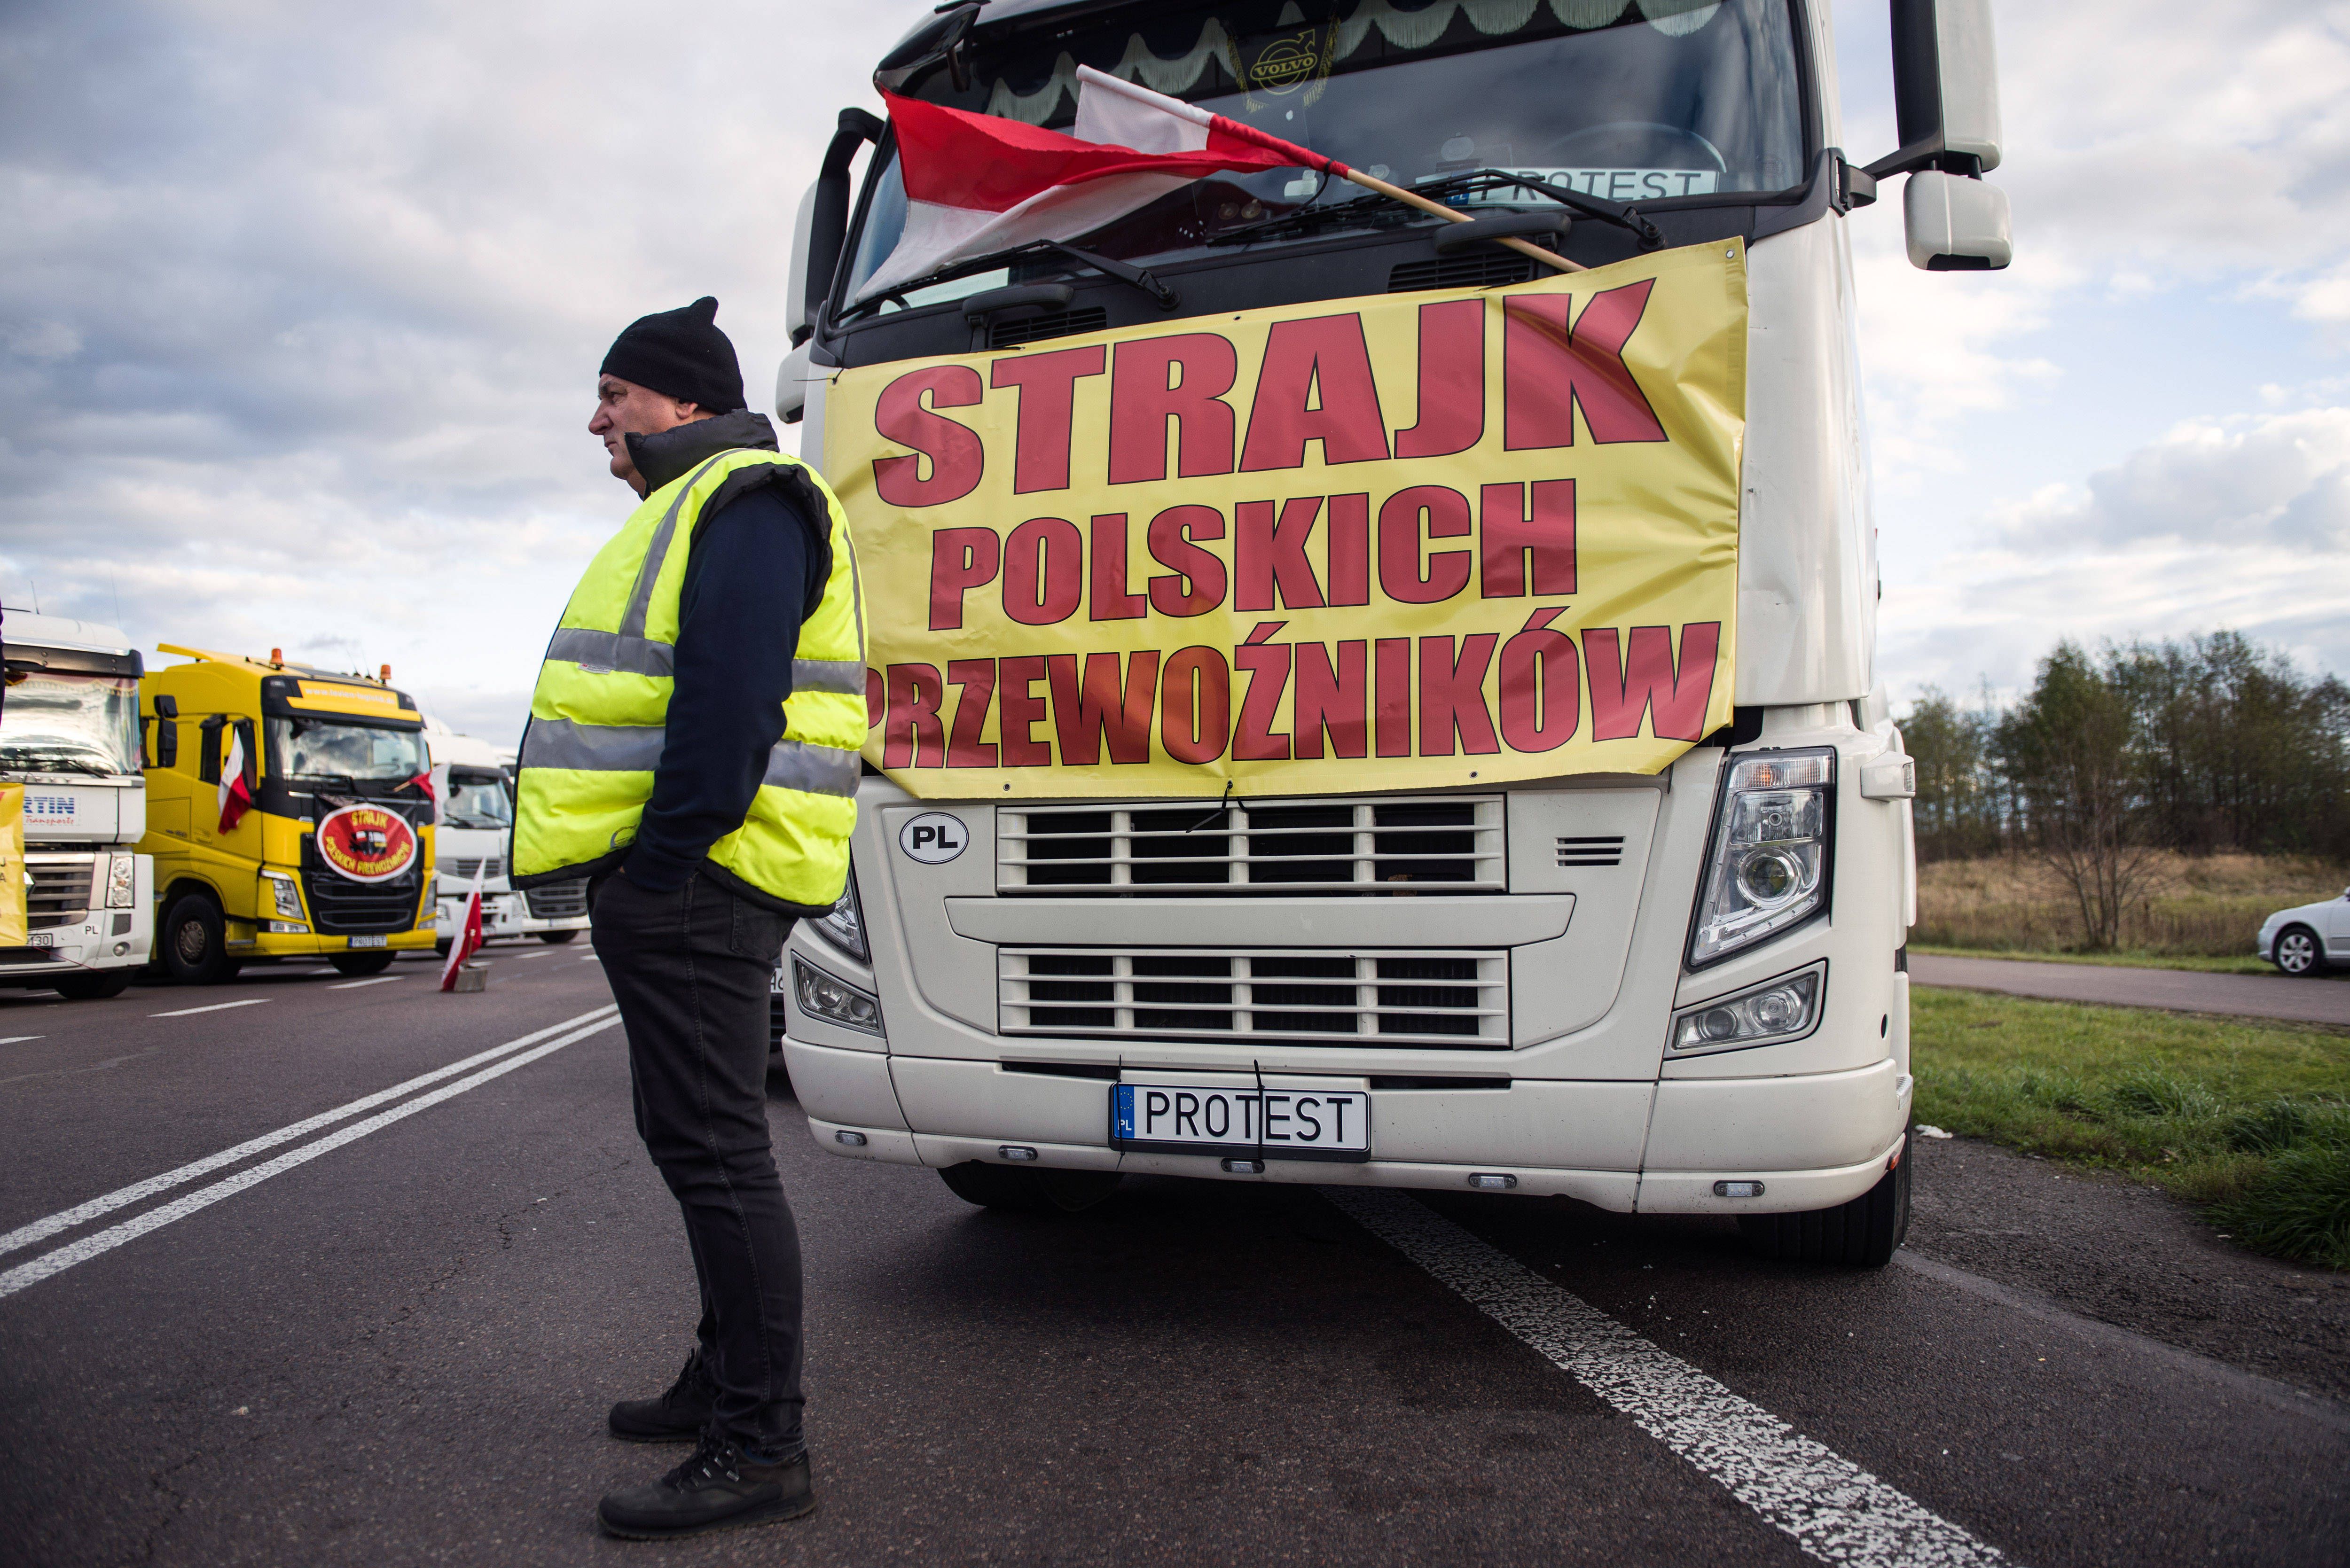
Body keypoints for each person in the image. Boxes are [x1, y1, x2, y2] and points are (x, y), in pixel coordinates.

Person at [510, 296, 866, 1539]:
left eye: (616, 394)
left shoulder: (749, 500)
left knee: (717, 1151)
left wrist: (655, 873)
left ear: (689, 404)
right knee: (692, 1139)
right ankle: (727, 1377)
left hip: (708, 883)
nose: (596, 418)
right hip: (700, 881)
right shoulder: (707, 504)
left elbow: (728, 713)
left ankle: (762, 1443)